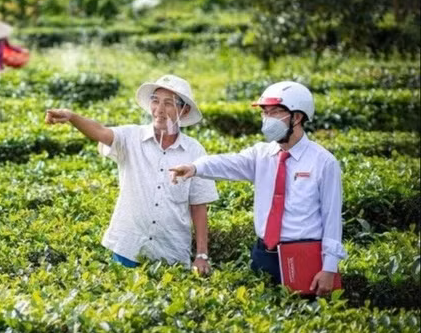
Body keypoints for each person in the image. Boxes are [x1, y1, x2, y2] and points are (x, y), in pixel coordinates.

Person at [169, 81, 347, 295]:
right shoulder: (262, 154)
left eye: (275, 112)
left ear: (297, 117)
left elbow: (332, 219)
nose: (267, 119)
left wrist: (329, 268)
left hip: (303, 254)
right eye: (265, 112)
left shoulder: (323, 162)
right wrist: (195, 167)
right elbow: (229, 163)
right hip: (263, 253)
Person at [45, 75, 218, 273]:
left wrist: (202, 255)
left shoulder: (194, 151)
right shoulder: (131, 137)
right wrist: (72, 117)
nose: (159, 110)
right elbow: (101, 132)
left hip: (171, 252)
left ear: (184, 110)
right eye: (155, 101)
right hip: (128, 247)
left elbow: (199, 206)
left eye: (168, 103)